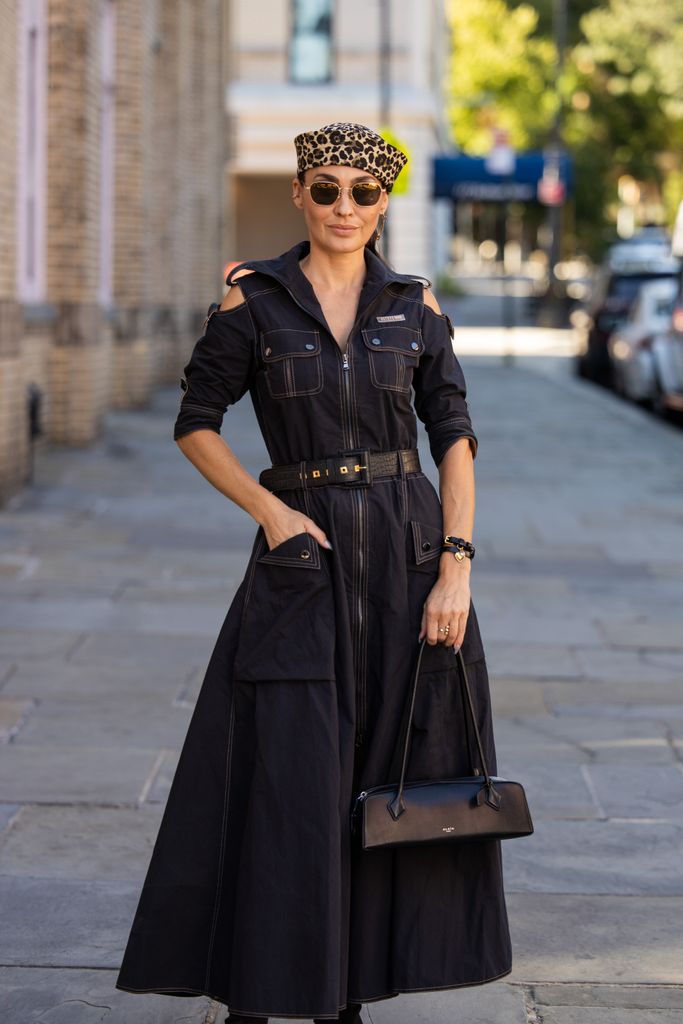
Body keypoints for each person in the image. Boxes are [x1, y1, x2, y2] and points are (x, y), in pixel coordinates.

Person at [115, 121, 512, 1022]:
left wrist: (456, 566)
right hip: (301, 563)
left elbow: (453, 435)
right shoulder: (252, 305)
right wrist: (274, 513)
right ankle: (257, 994)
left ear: (383, 204)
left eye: (362, 193)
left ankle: (349, 996)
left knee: (392, 774)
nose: (343, 206)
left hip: (410, 563)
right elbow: (196, 422)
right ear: (298, 193)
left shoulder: (415, 309)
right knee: (286, 777)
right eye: (325, 188)